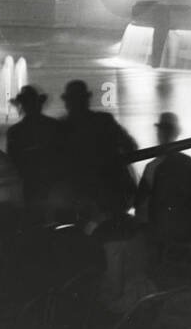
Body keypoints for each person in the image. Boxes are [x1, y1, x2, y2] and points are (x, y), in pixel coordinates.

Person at [59, 80, 139, 226]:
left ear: (68, 102)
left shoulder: (62, 128)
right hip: (111, 193)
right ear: (87, 99)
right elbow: (131, 146)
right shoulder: (104, 121)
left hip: (79, 197)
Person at [135, 112, 191, 257]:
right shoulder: (189, 163)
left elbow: (138, 202)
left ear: (159, 134)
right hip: (185, 227)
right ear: (176, 134)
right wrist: (187, 213)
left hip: (159, 231)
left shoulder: (152, 166)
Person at [6, 85, 64, 219]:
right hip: (53, 183)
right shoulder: (54, 126)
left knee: (33, 216)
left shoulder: (15, 131)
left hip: (29, 183)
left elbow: (12, 162)